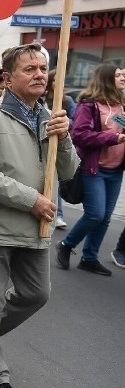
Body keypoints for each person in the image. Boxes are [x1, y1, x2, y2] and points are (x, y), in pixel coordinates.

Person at [0, 43, 78, 388]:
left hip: (35, 229)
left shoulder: (50, 118)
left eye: (43, 68)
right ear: (8, 79)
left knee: (36, 294)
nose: (40, 75)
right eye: (30, 69)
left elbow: (68, 173)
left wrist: (65, 136)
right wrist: (31, 199)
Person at [55, 63, 125, 276]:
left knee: (105, 217)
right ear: (106, 78)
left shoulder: (121, 104)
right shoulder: (89, 105)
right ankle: (66, 244)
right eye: (119, 75)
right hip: (94, 168)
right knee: (95, 214)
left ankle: (89, 258)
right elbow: (79, 135)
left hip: (116, 170)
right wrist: (113, 138)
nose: (123, 77)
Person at [44, 68, 78, 229]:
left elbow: (75, 120)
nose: (60, 83)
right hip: (44, 140)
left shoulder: (68, 100)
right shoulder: (42, 97)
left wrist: (62, 122)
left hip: (61, 141)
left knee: (56, 177)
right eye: (57, 79)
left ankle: (57, 213)